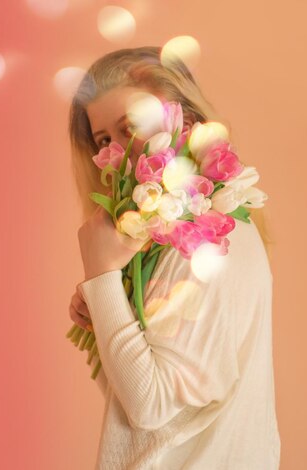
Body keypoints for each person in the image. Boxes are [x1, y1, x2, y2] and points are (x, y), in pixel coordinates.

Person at [67, 46, 281, 469]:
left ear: (188, 121)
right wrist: (113, 304)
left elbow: (150, 408)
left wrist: (102, 276)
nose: (117, 154)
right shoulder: (177, 234)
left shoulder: (206, 240)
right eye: (104, 140)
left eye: (131, 128)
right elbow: (140, 409)